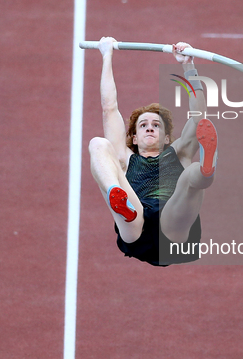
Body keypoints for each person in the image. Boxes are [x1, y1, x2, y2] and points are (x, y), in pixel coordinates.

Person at [88, 37, 218, 266]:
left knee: (192, 172)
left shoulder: (178, 152)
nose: (149, 127)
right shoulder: (126, 157)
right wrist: (106, 56)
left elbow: (199, 115)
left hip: (173, 227)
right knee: (98, 144)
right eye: (143, 125)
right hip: (135, 223)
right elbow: (109, 108)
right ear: (134, 138)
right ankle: (117, 197)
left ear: (167, 138)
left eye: (156, 125)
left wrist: (188, 64)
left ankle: (207, 170)